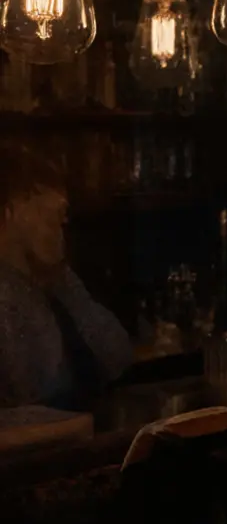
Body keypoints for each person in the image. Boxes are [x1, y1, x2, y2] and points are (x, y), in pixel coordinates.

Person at [0, 144, 133, 410]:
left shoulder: (53, 283)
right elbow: (29, 389)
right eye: (54, 220)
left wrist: (63, 280)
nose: (62, 232)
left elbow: (118, 356)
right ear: (12, 211)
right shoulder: (8, 296)